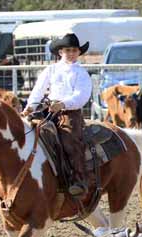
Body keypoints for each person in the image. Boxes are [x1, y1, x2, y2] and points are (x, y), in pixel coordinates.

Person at [22, 33, 92, 197]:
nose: (71, 53)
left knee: (70, 140)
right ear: (61, 52)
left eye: (74, 50)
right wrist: (29, 108)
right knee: (25, 132)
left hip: (69, 112)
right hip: (48, 109)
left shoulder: (81, 73)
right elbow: (38, 90)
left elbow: (81, 96)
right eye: (68, 50)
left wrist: (63, 104)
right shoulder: (51, 69)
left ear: (78, 52)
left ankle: (78, 179)